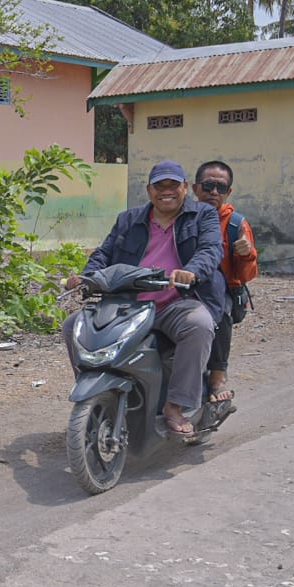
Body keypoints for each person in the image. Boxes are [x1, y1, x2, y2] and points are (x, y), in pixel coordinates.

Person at [64, 160, 225, 435]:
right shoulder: (129, 219)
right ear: (149, 190)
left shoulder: (203, 216)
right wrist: (86, 276)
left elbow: (211, 250)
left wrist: (190, 272)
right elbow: (104, 253)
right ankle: (95, 394)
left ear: (185, 187)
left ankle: (176, 404)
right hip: (129, 304)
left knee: (199, 325)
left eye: (173, 185)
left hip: (175, 302)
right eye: (159, 186)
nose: (166, 191)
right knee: (74, 325)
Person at [192, 160, 258, 404]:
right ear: (195, 188)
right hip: (186, 287)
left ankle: (218, 373)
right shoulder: (184, 218)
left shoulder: (235, 224)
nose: (214, 192)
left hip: (225, 291)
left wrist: (246, 252)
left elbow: (247, 275)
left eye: (221, 188)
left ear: (228, 192)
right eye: (208, 186)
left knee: (219, 316)